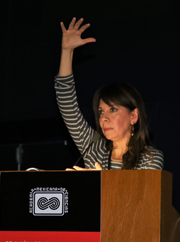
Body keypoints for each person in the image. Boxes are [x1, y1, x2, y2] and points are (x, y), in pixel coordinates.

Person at [55, 17, 164, 170]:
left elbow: (140, 195)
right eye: (101, 112)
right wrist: (67, 51)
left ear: (133, 116)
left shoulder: (150, 158)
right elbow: (67, 105)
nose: (104, 118)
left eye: (113, 110)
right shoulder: (94, 148)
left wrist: (100, 182)